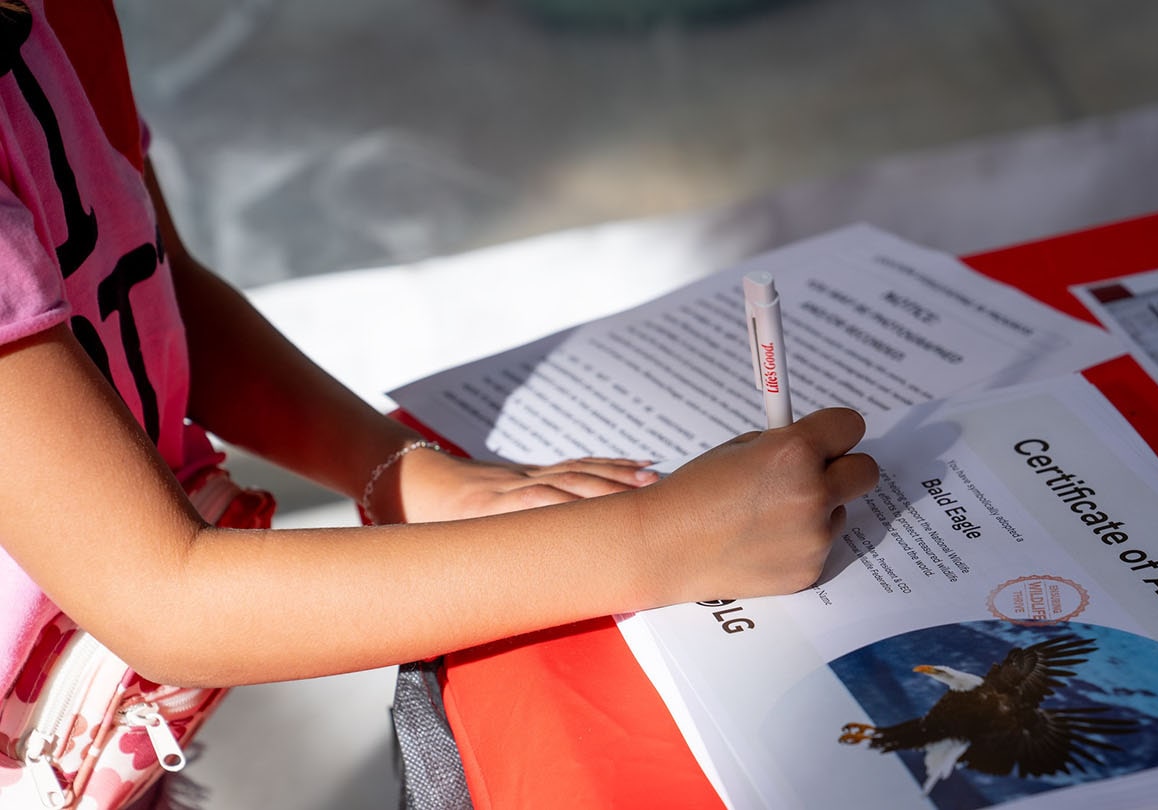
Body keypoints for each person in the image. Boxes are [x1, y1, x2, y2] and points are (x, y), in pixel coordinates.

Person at [0, 0, 874, 776]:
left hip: (104, 711)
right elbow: (165, 602)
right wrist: (664, 540)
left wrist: (396, 468)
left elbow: (157, 281)